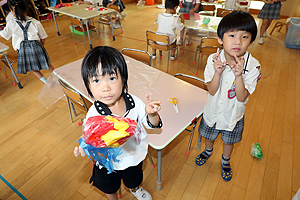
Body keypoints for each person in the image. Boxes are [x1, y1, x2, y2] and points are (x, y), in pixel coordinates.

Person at [74, 46, 163, 200]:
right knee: (109, 186)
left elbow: (151, 124)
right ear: (88, 85)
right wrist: (85, 148)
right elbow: (89, 139)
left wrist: (152, 114)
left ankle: (135, 188)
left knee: (133, 179)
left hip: (134, 156)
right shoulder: (94, 114)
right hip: (108, 164)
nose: (106, 88)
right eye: (96, 80)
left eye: (112, 78)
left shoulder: (134, 102)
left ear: (123, 79)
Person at [195, 11, 261, 181]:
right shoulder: (212, 59)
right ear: (220, 38)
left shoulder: (253, 66)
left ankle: (225, 160)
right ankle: (208, 151)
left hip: (233, 115)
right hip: (212, 110)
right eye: (232, 35)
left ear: (251, 41)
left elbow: (241, 97)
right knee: (208, 136)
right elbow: (211, 90)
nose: (238, 41)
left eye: (245, 37)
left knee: (228, 141)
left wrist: (239, 76)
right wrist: (217, 73)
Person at [0, 0, 54, 83]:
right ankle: (58, 79)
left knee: (33, 68)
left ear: (12, 10)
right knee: (48, 64)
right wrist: (41, 46)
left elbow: (3, 35)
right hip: (36, 45)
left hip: (22, 49)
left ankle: (47, 82)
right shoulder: (35, 22)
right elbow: (43, 37)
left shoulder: (11, 23)